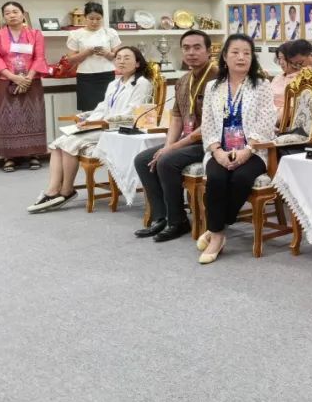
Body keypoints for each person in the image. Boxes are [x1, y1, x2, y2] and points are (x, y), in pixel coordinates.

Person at [27, 45, 154, 212]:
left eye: (127, 58)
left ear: (137, 63)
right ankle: (52, 190)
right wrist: (88, 119)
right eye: (118, 58)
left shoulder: (142, 83)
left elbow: (132, 113)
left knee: (69, 142)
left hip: (120, 130)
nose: (121, 61)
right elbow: (103, 107)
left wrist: (98, 122)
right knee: (58, 144)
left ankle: (66, 191)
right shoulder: (114, 83)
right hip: (103, 126)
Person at [196, 34, 278, 265]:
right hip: (220, 149)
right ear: (224, 56)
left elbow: (267, 122)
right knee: (216, 178)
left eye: (246, 53)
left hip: (254, 150)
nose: (241, 57)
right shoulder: (213, 87)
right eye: (235, 52)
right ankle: (218, 236)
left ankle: (215, 231)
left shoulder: (261, 85)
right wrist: (217, 152)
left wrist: (247, 150)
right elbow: (207, 123)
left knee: (240, 178)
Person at [132, 31, 218, 241]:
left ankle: (178, 221)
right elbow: (177, 118)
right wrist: (167, 145)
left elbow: (211, 125)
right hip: (188, 140)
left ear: (209, 51)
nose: (191, 52)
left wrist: (170, 149)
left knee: (167, 161)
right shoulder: (183, 80)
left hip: (212, 142)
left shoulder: (218, 79)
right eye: (186, 48)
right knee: (142, 159)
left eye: (197, 47)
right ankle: (161, 217)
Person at [0, 1, 50, 171]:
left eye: (15, 11)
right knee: (7, 118)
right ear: (3, 17)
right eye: (7, 13)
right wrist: (13, 77)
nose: (12, 15)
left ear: (23, 14)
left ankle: (33, 154)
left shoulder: (35, 34)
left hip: (31, 81)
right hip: (6, 81)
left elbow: (39, 57)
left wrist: (28, 78)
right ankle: (9, 157)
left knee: (33, 116)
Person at [65, 1, 121, 111]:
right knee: (88, 111)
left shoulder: (110, 32)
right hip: (86, 77)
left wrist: (107, 53)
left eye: (98, 19)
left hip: (107, 75)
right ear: (85, 17)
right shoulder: (76, 34)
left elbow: (118, 56)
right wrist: (87, 52)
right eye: (91, 18)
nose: (95, 22)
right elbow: (70, 60)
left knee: (108, 110)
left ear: (102, 18)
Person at [270, 42, 300, 111]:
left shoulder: (301, 79)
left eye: (284, 58)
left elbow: (293, 107)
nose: (281, 62)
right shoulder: (277, 77)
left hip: (283, 114)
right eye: (279, 58)